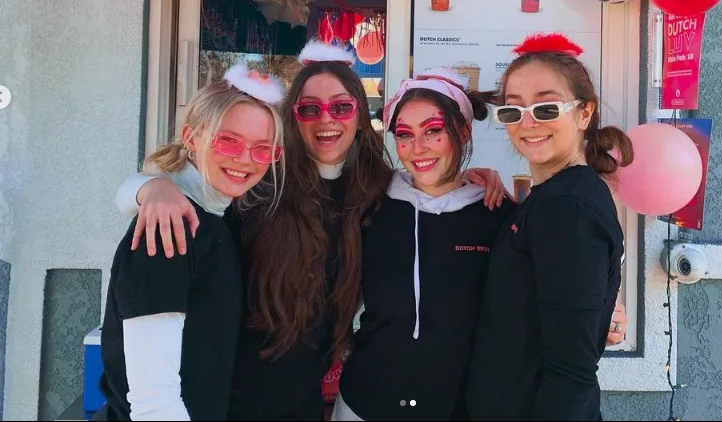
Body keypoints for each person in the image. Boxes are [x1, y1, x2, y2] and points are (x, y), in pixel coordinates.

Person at [114, 41, 508, 421]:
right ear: (293, 117)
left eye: (341, 106)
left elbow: (430, 188)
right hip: (234, 399)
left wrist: (471, 183)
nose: (326, 119)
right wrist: (152, 187)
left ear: (360, 115)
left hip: (304, 399)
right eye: (309, 108)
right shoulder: (262, 184)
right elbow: (200, 190)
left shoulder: (374, 189)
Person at [96, 63, 285, 421]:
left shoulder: (219, 218)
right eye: (228, 140)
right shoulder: (167, 229)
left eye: (263, 149)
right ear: (192, 137)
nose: (245, 159)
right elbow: (154, 402)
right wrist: (152, 188)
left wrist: (149, 186)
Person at [466, 33, 633, 421]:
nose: (527, 123)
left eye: (545, 108)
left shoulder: (566, 208)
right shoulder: (557, 197)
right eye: (513, 110)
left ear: (584, 113)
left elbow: (572, 372)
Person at [332, 69, 511, 422]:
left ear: (463, 131)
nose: (418, 148)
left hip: (460, 409)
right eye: (404, 134)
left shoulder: (499, 217)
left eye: (433, 131)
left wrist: (601, 315)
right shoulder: (370, 205)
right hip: (365, 405)